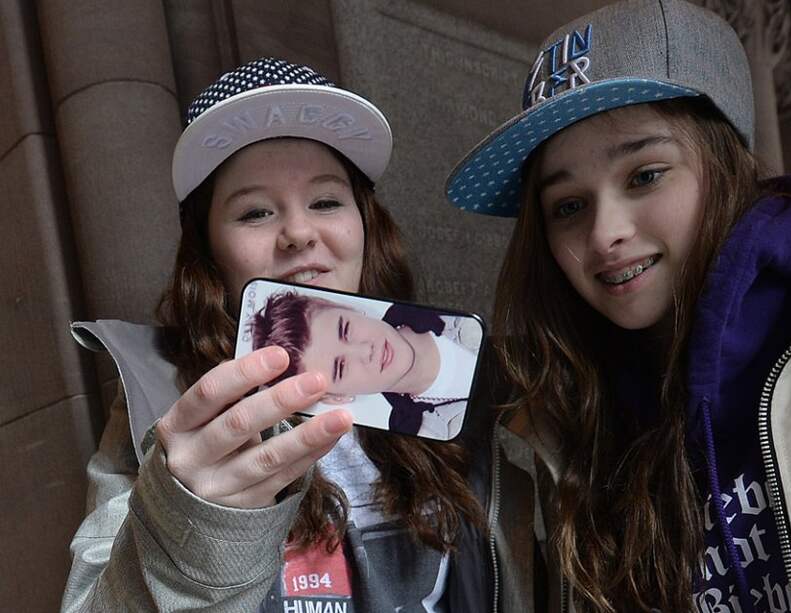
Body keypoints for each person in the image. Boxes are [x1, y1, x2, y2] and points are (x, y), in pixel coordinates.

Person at [446, 1, 791, 612]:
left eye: (644, 175)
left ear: (727, 163)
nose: (603, 234)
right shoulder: (556, 423)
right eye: (568, 205)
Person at [63, 57, 490, 612]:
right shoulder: (158, 396)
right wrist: (187, 531)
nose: (298, 233)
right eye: (256, 212)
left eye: (326, 202)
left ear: (366, 225)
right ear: (208, 251)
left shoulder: (460, 384)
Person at [248, 289, 481, 439]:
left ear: (348, 308)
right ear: (335, 398)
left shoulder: (452, 309)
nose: (366, 350)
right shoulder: (420, 434)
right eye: (340, 368)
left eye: (345, 329)